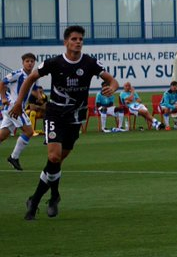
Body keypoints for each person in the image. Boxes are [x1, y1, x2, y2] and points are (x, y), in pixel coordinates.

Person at [8, 25, 119, 220]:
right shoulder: (54, 63)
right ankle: (40, 202)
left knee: (56, 162)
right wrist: (19, 103)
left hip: (76, 118)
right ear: (66, 42)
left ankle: (41, 198)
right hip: (55, 115)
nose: (78, 42)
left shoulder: (90, 63)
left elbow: (112, 80)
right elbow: (30, 78)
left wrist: (112, 87)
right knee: (53, 157)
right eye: (74, 39)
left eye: (81, 39)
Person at [1, 53, 38, 170]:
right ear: (23, 63)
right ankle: (14, 157)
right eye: (27, 61)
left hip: (16, 108)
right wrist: (3, 98)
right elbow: (2, 83)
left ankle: (14, 158)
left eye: (32, 61)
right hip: (14, 107)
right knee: (29, 131)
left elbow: (34, 91)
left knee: (3, 135)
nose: (29, 63)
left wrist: (39, 96)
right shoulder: (17, 74)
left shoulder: (33, 76)